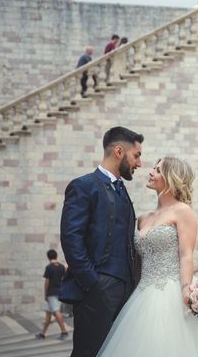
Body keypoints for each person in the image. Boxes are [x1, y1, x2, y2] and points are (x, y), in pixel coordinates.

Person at [97, 156, 198, 356]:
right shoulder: (142, 218)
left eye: (157, 170)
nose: (151, 172)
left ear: (171, 178)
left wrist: (186, 290)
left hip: (173, 290)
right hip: (142, 294)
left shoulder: (183, 212)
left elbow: (186, 254)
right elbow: (137, 259)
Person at [59, 126, 143, 357]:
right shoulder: (83, 185)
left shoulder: (122, 190)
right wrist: (93, 284)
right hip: (97, 289)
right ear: (118, 151)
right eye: (136, 155)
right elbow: (71, 238)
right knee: (88, 352)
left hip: (125, 291)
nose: (139, 163)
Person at [36, 249, 69, 340]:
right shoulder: (62, 266)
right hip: (59, 292)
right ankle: (42, 334)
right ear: (56, 256)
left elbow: (47, 282)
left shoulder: (49, 267)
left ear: (48, 257)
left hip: (51, 293)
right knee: (48, 313)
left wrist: (45, 294)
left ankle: (64, 332)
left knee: (56, 311)